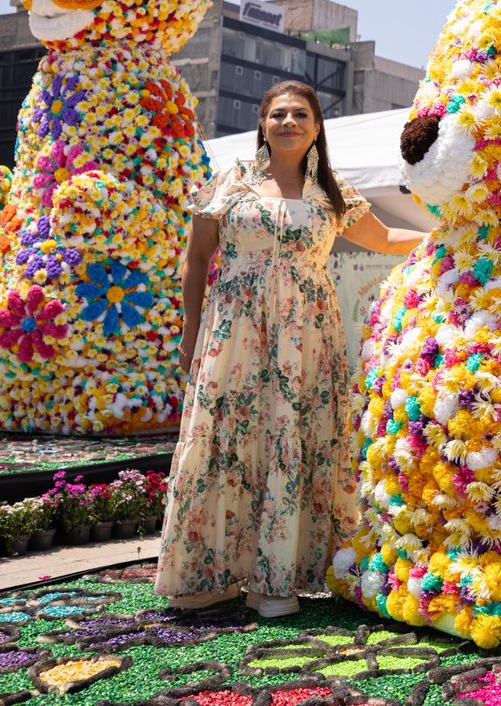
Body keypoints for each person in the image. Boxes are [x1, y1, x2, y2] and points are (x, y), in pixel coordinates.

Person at [156, 80, 426, 619]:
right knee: (230, 437)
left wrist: (455, 232)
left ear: (317, 126)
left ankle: (275, 579)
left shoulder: (332, 191)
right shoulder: (231, 180)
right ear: (262, 123)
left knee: (292, 438)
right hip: (234, 333)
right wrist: (189, 331)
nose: (288, 122)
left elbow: (388, 240)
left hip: (306, 339)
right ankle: (210, 571)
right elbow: (197, 260)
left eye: (299, 114)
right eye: (277, 113)